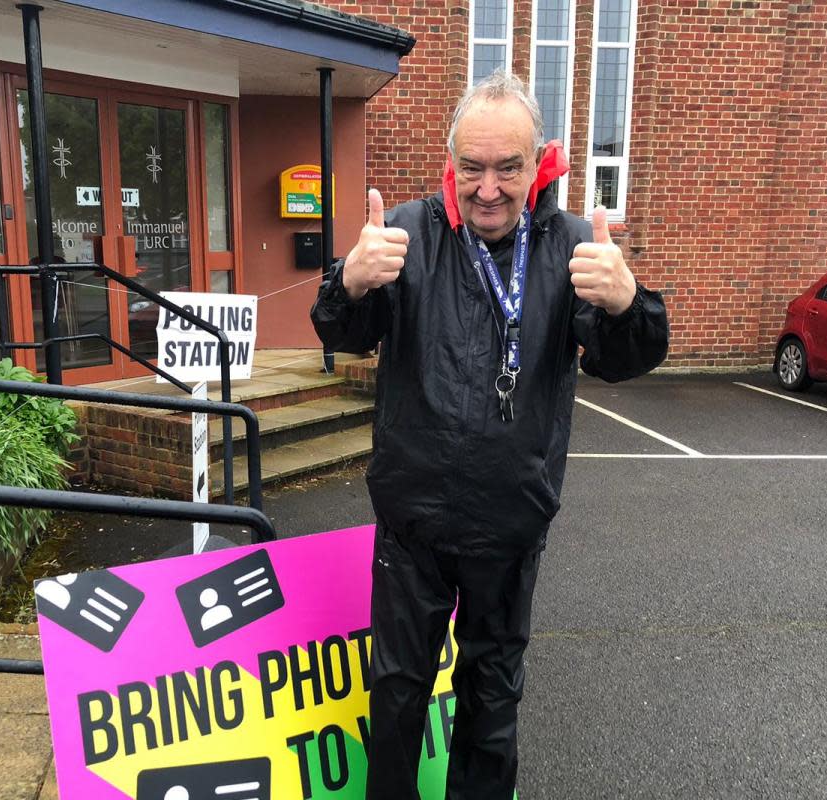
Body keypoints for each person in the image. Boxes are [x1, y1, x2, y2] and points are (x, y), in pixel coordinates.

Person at [310, 70, 669, 799]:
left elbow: (621, 360)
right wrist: (348, 281)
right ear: (451, 163)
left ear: (538, 163)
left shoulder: (571, 247)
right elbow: (342, 335)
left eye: (508, 167)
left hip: (510, 525)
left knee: (493, 697)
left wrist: (630, 304)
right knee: (399, 692)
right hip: (413, 526)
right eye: (472, 167)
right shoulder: (406, 235)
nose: (488, 188)